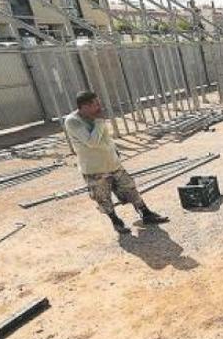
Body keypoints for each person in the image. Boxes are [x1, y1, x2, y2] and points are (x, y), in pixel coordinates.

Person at [64, 91, 168, 235]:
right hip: (95, 169)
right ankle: (116, 222)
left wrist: (114, 151)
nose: (100, 107)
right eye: (96, 104)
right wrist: (99, 121)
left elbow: (105, 138)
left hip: (113, 164)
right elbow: (92, 142)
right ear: (85, 106)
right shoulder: (73, 121)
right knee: (103, 198)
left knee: (130, 188)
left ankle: (146, 214)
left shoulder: (94, 116)